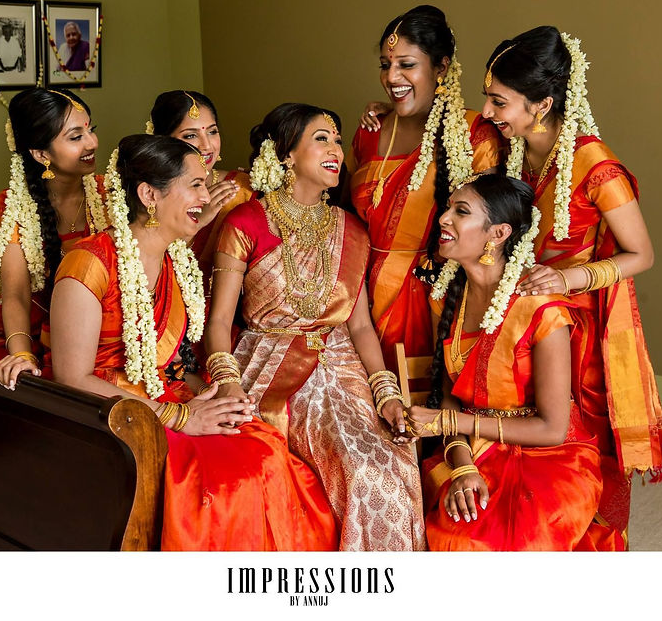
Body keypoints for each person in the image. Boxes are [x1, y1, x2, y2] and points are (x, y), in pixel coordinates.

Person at [47, 133, 337, 551]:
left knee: (267, 448)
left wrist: (215, 395)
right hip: (112, 414)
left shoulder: (173, 260)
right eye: (196, 184)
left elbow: (171, 367)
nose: (207, 195)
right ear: (149, 194)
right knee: (229, 481)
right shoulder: (89, 263)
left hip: (167, 397)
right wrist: (180, 418)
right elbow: (72, 377)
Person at [205, 103, 425, 551]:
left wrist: (385, 393)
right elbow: (220, 323)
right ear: (286, 154)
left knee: (395, 459)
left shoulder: (352, 230)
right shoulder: (245, 223)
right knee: (359, 467)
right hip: (271, 364)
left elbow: (361, 326)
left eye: (339, 140)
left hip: (343, 365)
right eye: (321, 138)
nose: (336, 150)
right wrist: (227, 383)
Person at [480, 25, 662, 550]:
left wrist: (566, 278)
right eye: (488, 98)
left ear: (541, 105)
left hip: (578, 328)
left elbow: (642, 255)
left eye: (500, 102)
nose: (489, 113)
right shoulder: (510, 147)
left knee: (573, 454)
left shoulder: (595, 165)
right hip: (521, 314)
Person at [406, 173, 602, 551]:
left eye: (460, 212)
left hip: (549, 458)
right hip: (473, 447)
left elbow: (552, 429)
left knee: (519, 539)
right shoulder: (446, 297)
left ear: (497, 235)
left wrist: (451, 423)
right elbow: (448, 396)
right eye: (448, 208)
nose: (443, 218)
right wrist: (462, 465)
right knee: (451, 533)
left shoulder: (541, 309)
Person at [348, 5, 504, 370]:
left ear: (441, 67)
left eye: (407, 64)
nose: (392, 77)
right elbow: (341, 218)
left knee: (422, 418)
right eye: (386, 65)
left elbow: (491, 236)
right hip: (358, 304)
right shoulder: (369, 133)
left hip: (433, 300)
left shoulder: (472, 136)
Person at [0, 87, 108, 390]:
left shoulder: (110, 194)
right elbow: (15, 293)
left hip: (98, 325)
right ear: (41, 154)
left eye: (91, 130)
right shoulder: (14, 205)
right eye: (76, 137)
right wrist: (22, 354)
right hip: (33, 328)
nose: (92, 142)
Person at [144, 90, 256, 279]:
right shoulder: (151, 193)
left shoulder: (242, 188)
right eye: (190, 136)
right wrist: (198, 222)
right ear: (163, 142)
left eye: (212, 131)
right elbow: (144, 270)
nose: (207, 145)